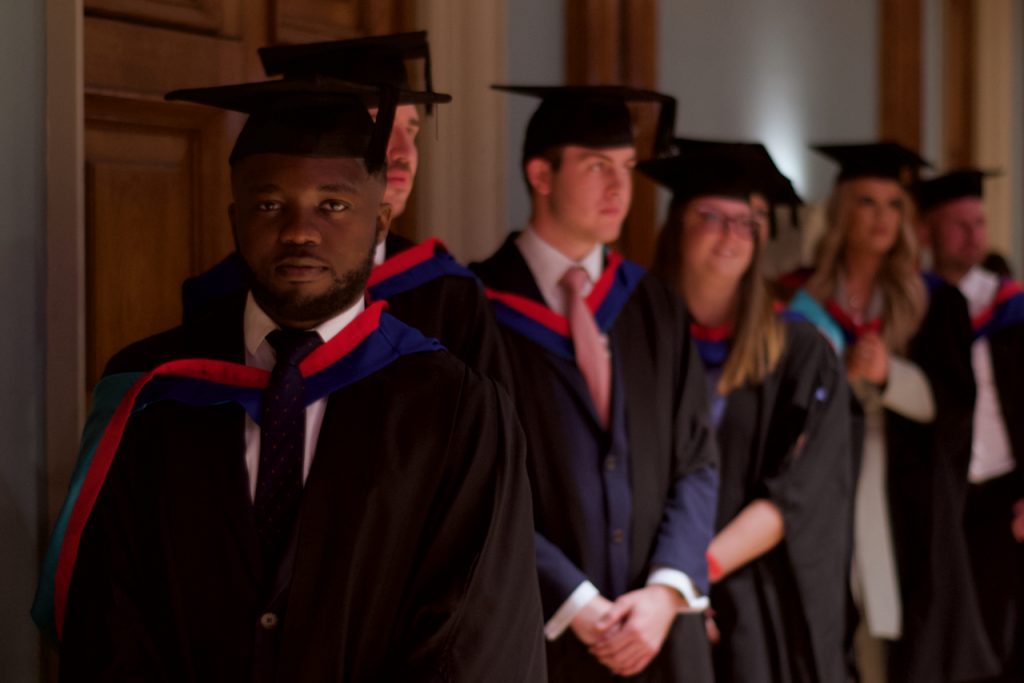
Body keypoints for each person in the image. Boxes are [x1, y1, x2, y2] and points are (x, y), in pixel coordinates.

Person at [33, 77, 546, 681]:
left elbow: (474, 640)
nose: (300, 231)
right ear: (235, 217)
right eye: (270, 204)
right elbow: (108, 618)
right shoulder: (151, 393)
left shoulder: (455, 410)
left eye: (333, 205)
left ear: (380, 221)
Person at [473, 85, 717, 682]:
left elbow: (698, 460)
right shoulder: (474, 308)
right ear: (541, 174)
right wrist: (576, 602)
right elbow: (475, 488)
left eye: (628, 169)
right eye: (597, 166)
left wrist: (664, 592)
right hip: (538, 632)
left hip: (660, 638)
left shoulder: (653, 303)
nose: (619, 188)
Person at [182, 32, 510, 385]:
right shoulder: (220, 291)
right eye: (379, 125)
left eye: (411, 131)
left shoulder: (448, 291)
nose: (403, 153)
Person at [640, 141, 853, 682]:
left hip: (753, 595)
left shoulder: (800, 352)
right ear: (677, 227)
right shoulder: (632, 338)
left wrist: (693, 575)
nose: (731, 234)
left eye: (746, 222)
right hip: (644, 587)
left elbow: (799, 492)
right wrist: (668, 583)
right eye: (710, 216)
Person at [788, 143, 995, 683]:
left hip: (901, 487)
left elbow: (956, 405)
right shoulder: (800, 299)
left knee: (891, 625)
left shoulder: (931, 301)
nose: (882, 218)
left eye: (893, 205)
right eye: (866, 203)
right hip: (823, 476)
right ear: (839, 212)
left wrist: (889, 377)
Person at [917, 169, 1024, 682]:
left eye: (979, 222)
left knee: (1003, 631)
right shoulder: (915, 303)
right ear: (926, 232)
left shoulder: (1012, 306)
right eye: (958, 224)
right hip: (940, 496)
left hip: (1004, 495)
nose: (973, 234)